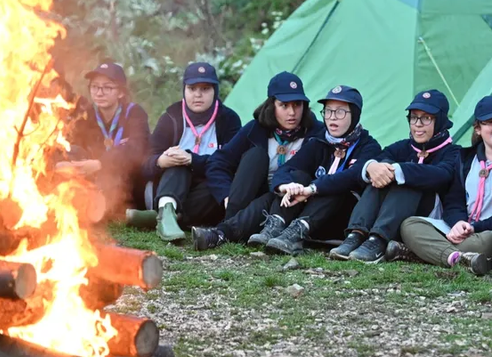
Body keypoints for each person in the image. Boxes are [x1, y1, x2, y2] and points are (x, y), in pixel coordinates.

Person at [191, 71, 324, 251]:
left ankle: (222, 234)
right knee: (255, 157)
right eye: (284, 105)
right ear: (272, 105)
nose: (292, 112)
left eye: (297, 105)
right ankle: (230, 224)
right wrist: (225, 195)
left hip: (291, 202)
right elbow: (218, 162)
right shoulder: (255, 129)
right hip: (250, 197)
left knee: (291, 180)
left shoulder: (316, 134)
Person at [245, 86, 381, 256]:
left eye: (340, 112)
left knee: (336, 185)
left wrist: (312, 189)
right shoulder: (318, 141)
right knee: (297, 176)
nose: (332, 117)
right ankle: (275, 225)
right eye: (328, 111)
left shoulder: (369, 146)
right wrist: (286, 187)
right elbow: (288, 168)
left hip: (341, 221)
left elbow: (352, 177)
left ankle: (297, 233)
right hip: (310, 217)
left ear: (355, 114)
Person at [328, 89, 459, 263]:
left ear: (440, 120)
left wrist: (399, 171)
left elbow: (442, 175)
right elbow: (377, 161)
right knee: (380, 175)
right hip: (397, 214)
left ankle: (379, 240)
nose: (418, 124)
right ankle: (356, 234)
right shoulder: (402, 147)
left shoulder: (453, 152)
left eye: (426, 118)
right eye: (413, 117)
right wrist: (373, 167)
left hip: (429, 220)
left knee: (407, 180)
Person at [128, 63, 241, 241]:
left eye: (205, 89)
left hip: (205, 192)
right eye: (192, 88)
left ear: (215, 91)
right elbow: (144, 163)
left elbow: (233, 163)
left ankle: (164, 218)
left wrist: (193, 160)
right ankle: (167, 211)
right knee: (177, 162)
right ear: (184, 90)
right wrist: (160, 161)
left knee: (217, 183)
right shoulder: (170, 117)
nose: (198, 94)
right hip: (170, 185)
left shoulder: (229, 120)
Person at [394, 95, 492, 275]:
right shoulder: (464, 159)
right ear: (478, 128)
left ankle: (421, 253)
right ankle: (459, 258)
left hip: (484, 233)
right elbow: (453, 200)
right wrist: (458, 223)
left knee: (486, 240)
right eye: (490, 122)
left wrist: (475, 228)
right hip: (461, 230)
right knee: (410, 224)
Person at [56, 62, 150, 215]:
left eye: (107, 87)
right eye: (95, 87)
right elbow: (74, 145)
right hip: (93, 177)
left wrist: (100, 163)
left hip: (127, 181)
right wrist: (68, 164)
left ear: (120, 92)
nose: (100, 93)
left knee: (121, 169)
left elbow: (136, 149)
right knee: (70, 154)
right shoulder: (86, 114)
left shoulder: (134, 113)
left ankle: (101, 207)